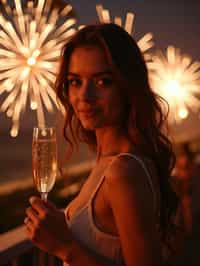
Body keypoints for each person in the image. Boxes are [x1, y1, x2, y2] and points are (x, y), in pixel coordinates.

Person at [24, 23, 179, 266]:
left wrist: (65, 247)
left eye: (102, 82)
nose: (84, 96)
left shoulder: (123, 171)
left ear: (127, 87)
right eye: (75, 81)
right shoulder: (108, 160)